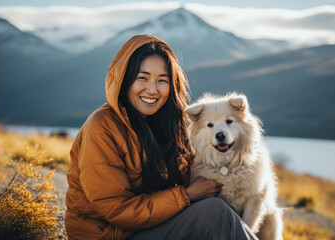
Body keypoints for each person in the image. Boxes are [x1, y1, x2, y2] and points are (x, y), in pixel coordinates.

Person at [65, 35, 258, 240]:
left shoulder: (171, 125)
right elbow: (117, 210)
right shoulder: (101, 128)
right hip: (111, 236)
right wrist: (187, 196)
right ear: (125, 79)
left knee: (218, 212)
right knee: (214, 213)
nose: (152, 89)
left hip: (151, 227)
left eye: (162, 81)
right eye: (143, 78)